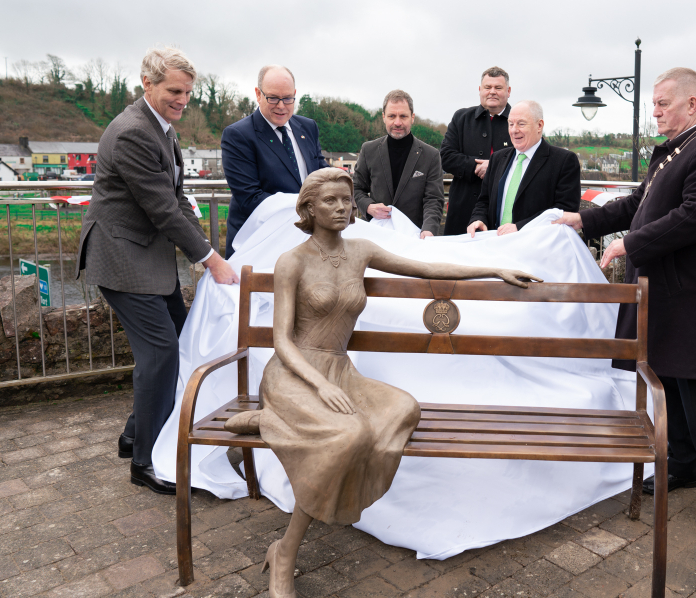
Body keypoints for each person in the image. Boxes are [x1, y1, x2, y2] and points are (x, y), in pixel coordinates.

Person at [222, 167, 538, 597]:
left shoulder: (361, 250)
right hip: (295, 373)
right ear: (309, 208)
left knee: (403, 409)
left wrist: (493, 269)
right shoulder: (291, 261)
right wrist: (320, 386)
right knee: (349, 436)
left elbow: (427, 267)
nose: (341, 207)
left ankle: (270, 420)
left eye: (345, 199)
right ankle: (285, 551)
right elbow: (282, 343)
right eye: (330, 201)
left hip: (340, 370)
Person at [554, 67, 696, 537]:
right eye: (654, 103)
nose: (654, 112)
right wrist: (583, 220)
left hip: (694, 298)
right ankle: (682, 466)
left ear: (691, 104)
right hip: (662, 294)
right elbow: (635, 206)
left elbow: (695, 217)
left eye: (662, 103)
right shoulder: (673, 151)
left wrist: (630, 244)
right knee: (670, 386)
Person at [75, 47, 238, 494]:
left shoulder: (162, 128)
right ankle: (145, 463)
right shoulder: (133, 133)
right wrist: (211, 260)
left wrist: (210, 249)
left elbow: (178, 199)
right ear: (147, 84)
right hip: (122, 258)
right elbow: (163, 210)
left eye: (187, 93)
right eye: (174, 91)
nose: (182, 100)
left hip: (147, 256)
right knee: (161, 353)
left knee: (179, 341)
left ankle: (133, 435)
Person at [221, 65, 329, 256]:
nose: (281, 105)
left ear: (295, 94)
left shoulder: (308, 127)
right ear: (258, 94)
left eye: (287, 98)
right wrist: (308, 207)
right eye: (273, 98)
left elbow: (322, 174)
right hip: (260, 245)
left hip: (306, 242)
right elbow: (250, 198)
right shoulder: (238, 135)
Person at [466, 100, 580, 237]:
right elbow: (484, 201)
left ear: (539, 125)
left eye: (521, 124)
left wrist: (520, 228)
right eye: (511, 124)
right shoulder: (497, 158)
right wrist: (478, 219)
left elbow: (564, 212)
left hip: (536, 245)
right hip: (495, 243)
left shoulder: (563, 161)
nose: (514, 130)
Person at [352, 90, 444, 238]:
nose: (397, 122)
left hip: (415, 236)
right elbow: (356, 188)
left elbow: (434, 199)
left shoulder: (431, 155)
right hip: (376, 235)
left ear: (412, 117)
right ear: (383, 117)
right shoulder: (368, 150)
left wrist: (428, 229)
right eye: (392, 116)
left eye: (403, 116)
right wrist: (368, 206)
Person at [440, 67, 512, 235]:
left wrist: (493, 167)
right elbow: (446, 157)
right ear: (480, 90)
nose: (492, 92)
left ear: (508, 91)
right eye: (487, 87)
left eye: (498, 87)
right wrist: (475, 166)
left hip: (503, 211)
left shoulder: (519, 120)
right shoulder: (461, 118)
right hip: (463, 209)